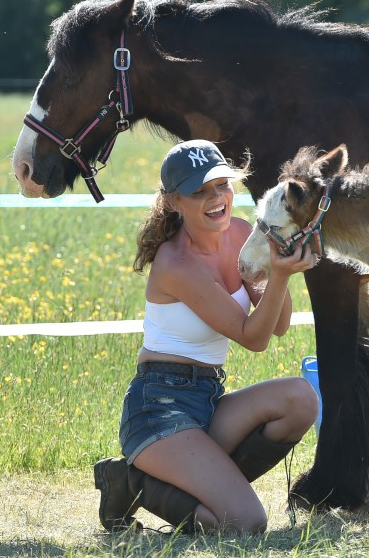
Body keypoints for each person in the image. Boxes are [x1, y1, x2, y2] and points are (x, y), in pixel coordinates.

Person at [93, 139, 320, 534]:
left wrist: (277, 259)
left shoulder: (241, 232)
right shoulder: (177, 264)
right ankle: (131, 483)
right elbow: (254, 337)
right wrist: (281, 273)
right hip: (158, 409)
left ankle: (208, 485)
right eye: (200, 191)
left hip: (208, 400)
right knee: (245, 524)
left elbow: (279, 324)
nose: (216, 198)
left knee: (301, 399)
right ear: (174, 202)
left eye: (221, 185)